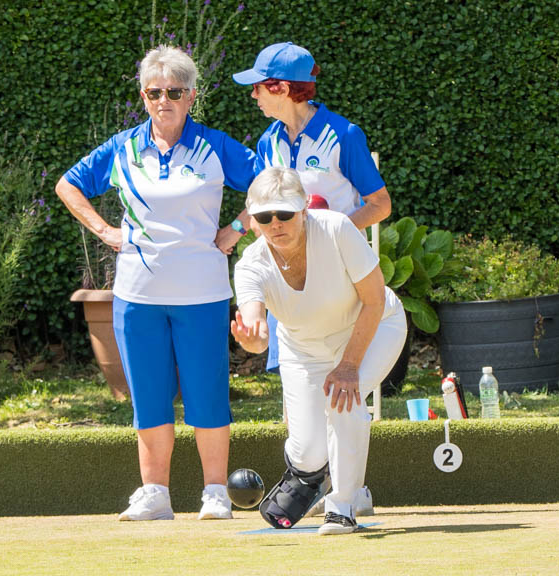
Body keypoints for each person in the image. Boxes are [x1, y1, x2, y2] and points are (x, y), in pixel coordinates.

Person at [56, 45, 256, 522]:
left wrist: (238, 228)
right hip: (137, 298)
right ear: (143, 96)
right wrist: (105, 231)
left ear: (191, 96)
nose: (163, 100)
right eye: (154, 92)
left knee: (208, 393)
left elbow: (272, 184)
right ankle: (155, 494)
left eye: (174, 91)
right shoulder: (122, 146)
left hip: (202, 294)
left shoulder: (216, 146)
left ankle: (214, 493)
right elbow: (68, 184)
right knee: (148, 395)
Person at [233, 42, 392, 515]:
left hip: (341, 281)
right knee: (298, 386)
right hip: (291, 286)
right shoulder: (268, 142)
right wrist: (237, 230)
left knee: (343, 393)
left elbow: (380, 203)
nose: (255, 97)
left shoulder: (344, 134)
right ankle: (317, 477)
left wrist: (332, 235)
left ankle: (350, 490)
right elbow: (266, 202)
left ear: (282, 88)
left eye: (259, 88)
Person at [231, 167, 406, 535]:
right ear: (254, 221)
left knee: (344, 397)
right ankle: (310, 475)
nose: (275, 223)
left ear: (304, 210)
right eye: (264, 217)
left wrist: (349, 366)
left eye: (285, 214)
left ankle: (342, 506)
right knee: (309, 453)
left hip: (375, 328)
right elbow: (257, 327)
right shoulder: (250, 265)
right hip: (304, 351)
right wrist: (253, 340)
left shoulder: (337, 228)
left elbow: (373, 301)